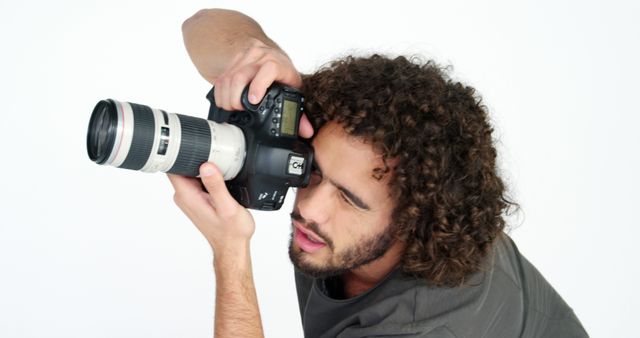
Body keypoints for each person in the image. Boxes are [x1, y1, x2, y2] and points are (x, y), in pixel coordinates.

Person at [167, 8, 589, 338]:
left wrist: (230, 253)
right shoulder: (356, 141)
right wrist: (257, 54)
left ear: (415, 221)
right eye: (314, 171)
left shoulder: (417, 327)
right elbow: (201, 27)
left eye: (350, 200)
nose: (310, 207)